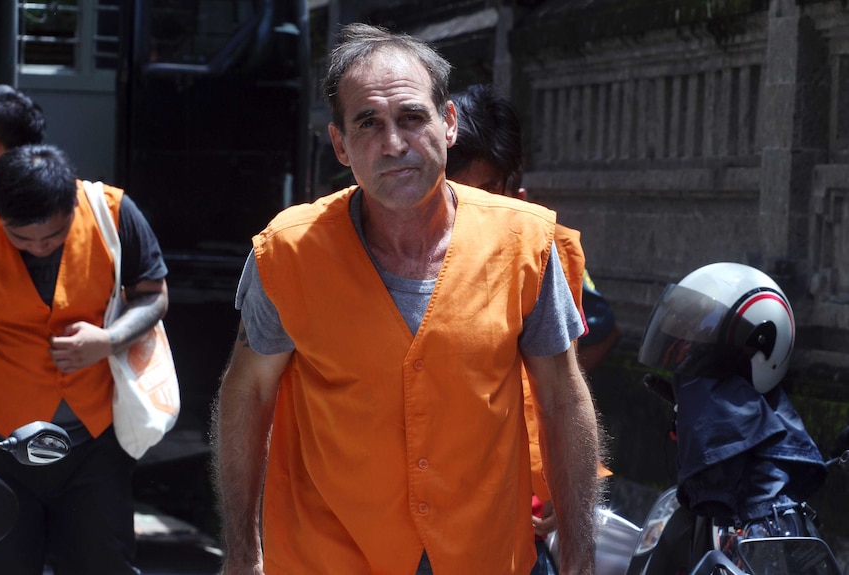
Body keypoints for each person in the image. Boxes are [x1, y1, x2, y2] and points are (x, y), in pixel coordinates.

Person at [212, 22, 600, 575]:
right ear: (341, 145)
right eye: (368, 124)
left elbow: (562, 396)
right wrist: (242, 549)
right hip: (330, 554)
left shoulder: (525, 244)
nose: (393, 144)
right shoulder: (288, 253)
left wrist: (581, 556)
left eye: (412, 117)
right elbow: (247, 396)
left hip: (484, 553)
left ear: (448, 124)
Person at [447, 83, 611, 575]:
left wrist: (563, 492)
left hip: (514, 523)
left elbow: (563, 390)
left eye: (488, 193)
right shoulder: (393, 250)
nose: (471, 211)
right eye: (457, 192)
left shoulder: (542, 253)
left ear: (515, 194)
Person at [0, 140, 168, 571]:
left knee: (103, 563)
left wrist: (109, 340)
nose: (39, 247)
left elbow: (153, 295)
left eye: (53, 234)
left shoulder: (114, 211)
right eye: (20, 237)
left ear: (72, 200)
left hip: (93, 445)